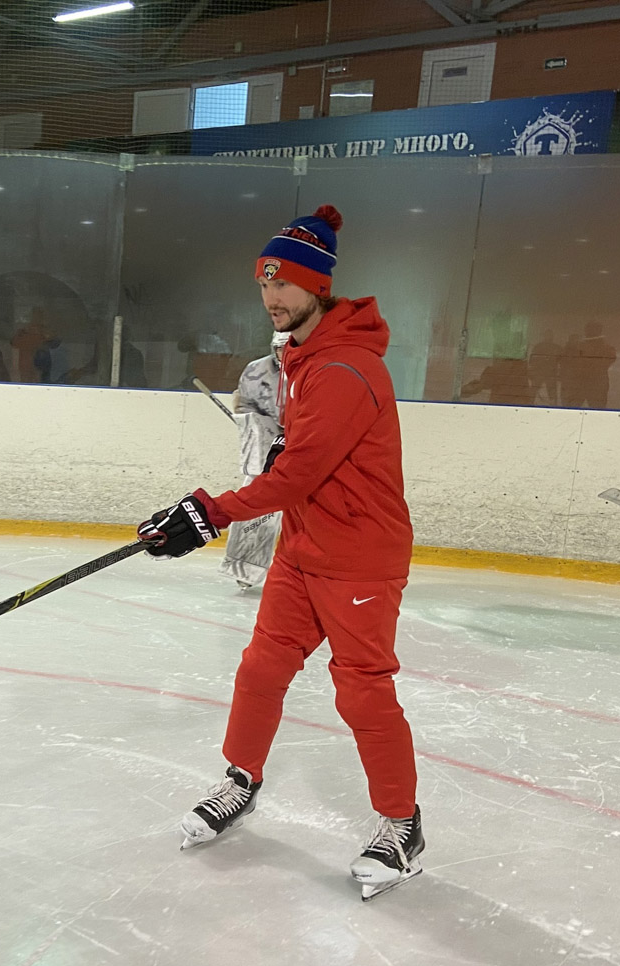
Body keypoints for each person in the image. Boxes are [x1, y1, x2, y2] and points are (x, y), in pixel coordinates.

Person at [136, 206, 423, 901]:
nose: (273, 298)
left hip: (359, 557)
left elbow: (300, 473)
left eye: (287, 285)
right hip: (304, 548)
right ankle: (241, 779)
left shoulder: (345, 369)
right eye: (265, 285)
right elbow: (299, 464)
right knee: (262, 668)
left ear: (320, 285)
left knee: (361, 691)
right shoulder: (302, 359)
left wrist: (209, 513)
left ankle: (403, 825)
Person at [220, 334, 287, 590]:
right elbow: (247, 405)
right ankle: (244, 566)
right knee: (256, 501)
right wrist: (246, 416)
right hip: (265, 446)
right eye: (280, 347)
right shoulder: (256, 370)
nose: (284, 352)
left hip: (304, 445)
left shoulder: (314, 370)